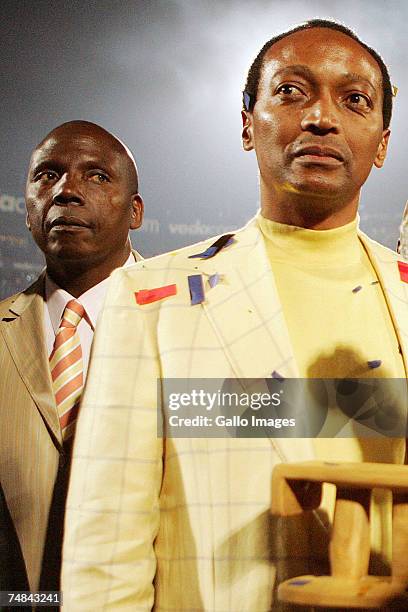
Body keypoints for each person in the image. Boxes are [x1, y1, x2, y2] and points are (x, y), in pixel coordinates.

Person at [62, 21, 408, 611]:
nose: (321, 118)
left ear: (382, 141)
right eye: (292, 92)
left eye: (354, 100)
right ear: (247, 124)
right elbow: (106, 549)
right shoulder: (150, 299)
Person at [0, 120, 144, 594]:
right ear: (27, 209)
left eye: (97, 176)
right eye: (47, 175)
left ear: (136, 211)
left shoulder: (192, 323)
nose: (66, 191)